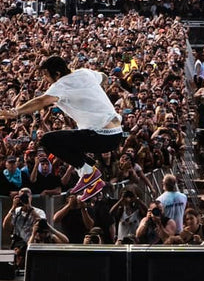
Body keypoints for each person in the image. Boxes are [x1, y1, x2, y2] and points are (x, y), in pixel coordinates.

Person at [7, 55, 124, 199]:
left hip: (100, 136)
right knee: (68, 140)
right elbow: (104, 77)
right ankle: (93, 182)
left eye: (46, 75)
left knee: (48, 140)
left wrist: (15, 112)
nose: (45, 79)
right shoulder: (84, 73)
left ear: (57, 74)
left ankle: (88, 172)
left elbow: (41, 101)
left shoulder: (61, 85)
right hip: (116, 134)